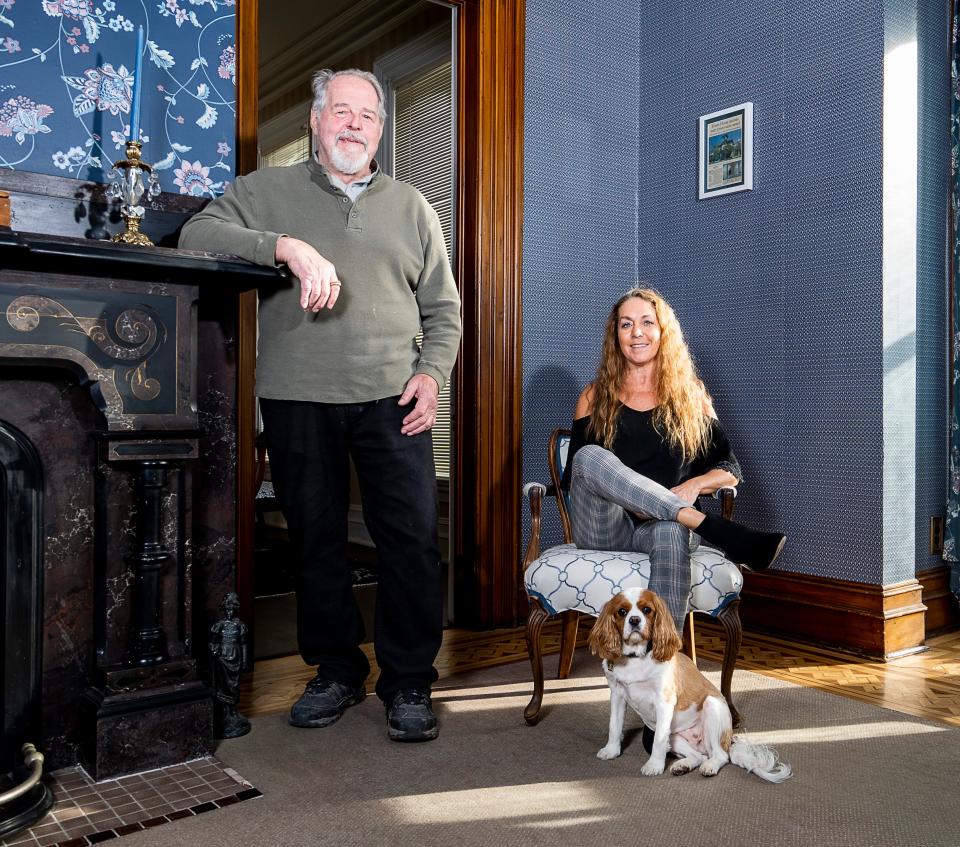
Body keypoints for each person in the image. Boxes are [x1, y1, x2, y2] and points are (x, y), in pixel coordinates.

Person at [179, 68, 461, 742]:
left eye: (368, 114)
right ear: (315, 120)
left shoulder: (412, 205)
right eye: (342, 111)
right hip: (297, 398)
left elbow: (444, 310)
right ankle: (336, 670)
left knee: (413, 541)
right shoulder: (265, 192)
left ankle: (409, 679)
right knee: (316, 543)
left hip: (394, 397)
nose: (355, 124)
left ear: (381, 130)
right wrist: (285, 247)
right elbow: (194, 237)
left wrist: (433, 375)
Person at [561, 287, 786, 632]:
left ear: (663, 332)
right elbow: (577, 474)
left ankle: (664, 662)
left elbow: (730, 471)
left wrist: (692, 486)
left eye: (647, 322)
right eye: (626, 324)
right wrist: (633, 498)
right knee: (590, 457)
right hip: (606, 526)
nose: (637, 332)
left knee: (671, 531)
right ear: (615, 336)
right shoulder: (593, 396)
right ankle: (713, 528)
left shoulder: (691, 397)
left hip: (663, 528)